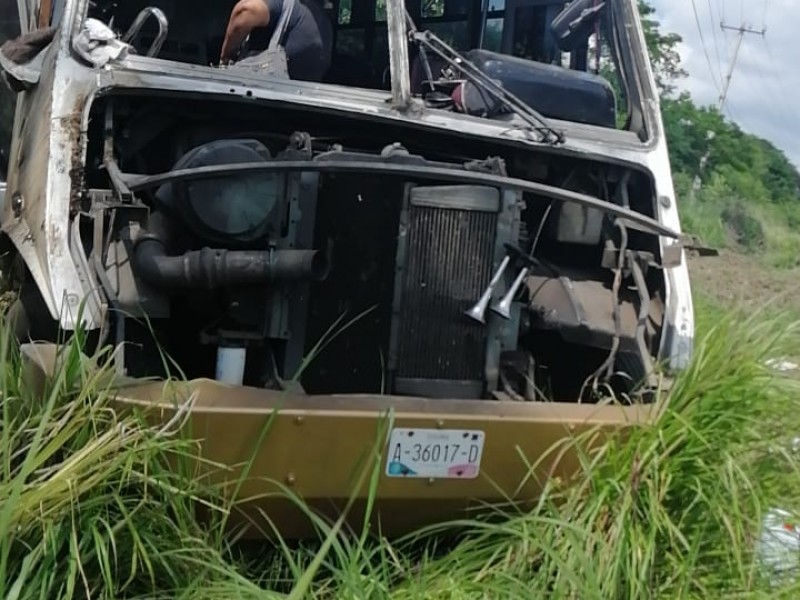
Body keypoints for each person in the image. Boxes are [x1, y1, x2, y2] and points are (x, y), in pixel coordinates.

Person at [221, 0, 332, 82]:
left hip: (259, 98)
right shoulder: (325, 25)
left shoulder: (288, 6)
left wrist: (225, 56)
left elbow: (246, 12)